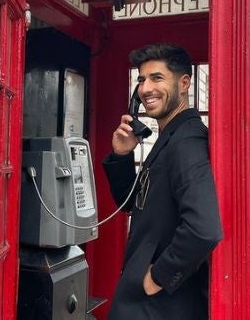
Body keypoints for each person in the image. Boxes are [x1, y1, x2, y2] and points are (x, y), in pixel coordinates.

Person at [102, 43, 223, 319]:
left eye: (157, 78)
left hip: (158, 305)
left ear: (183, 83)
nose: (145, 89)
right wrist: (122, 155)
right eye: (141, 79)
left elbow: (204, 229)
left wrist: (157, 277)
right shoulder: (170, 137)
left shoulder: (187, 141)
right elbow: (134, 203)